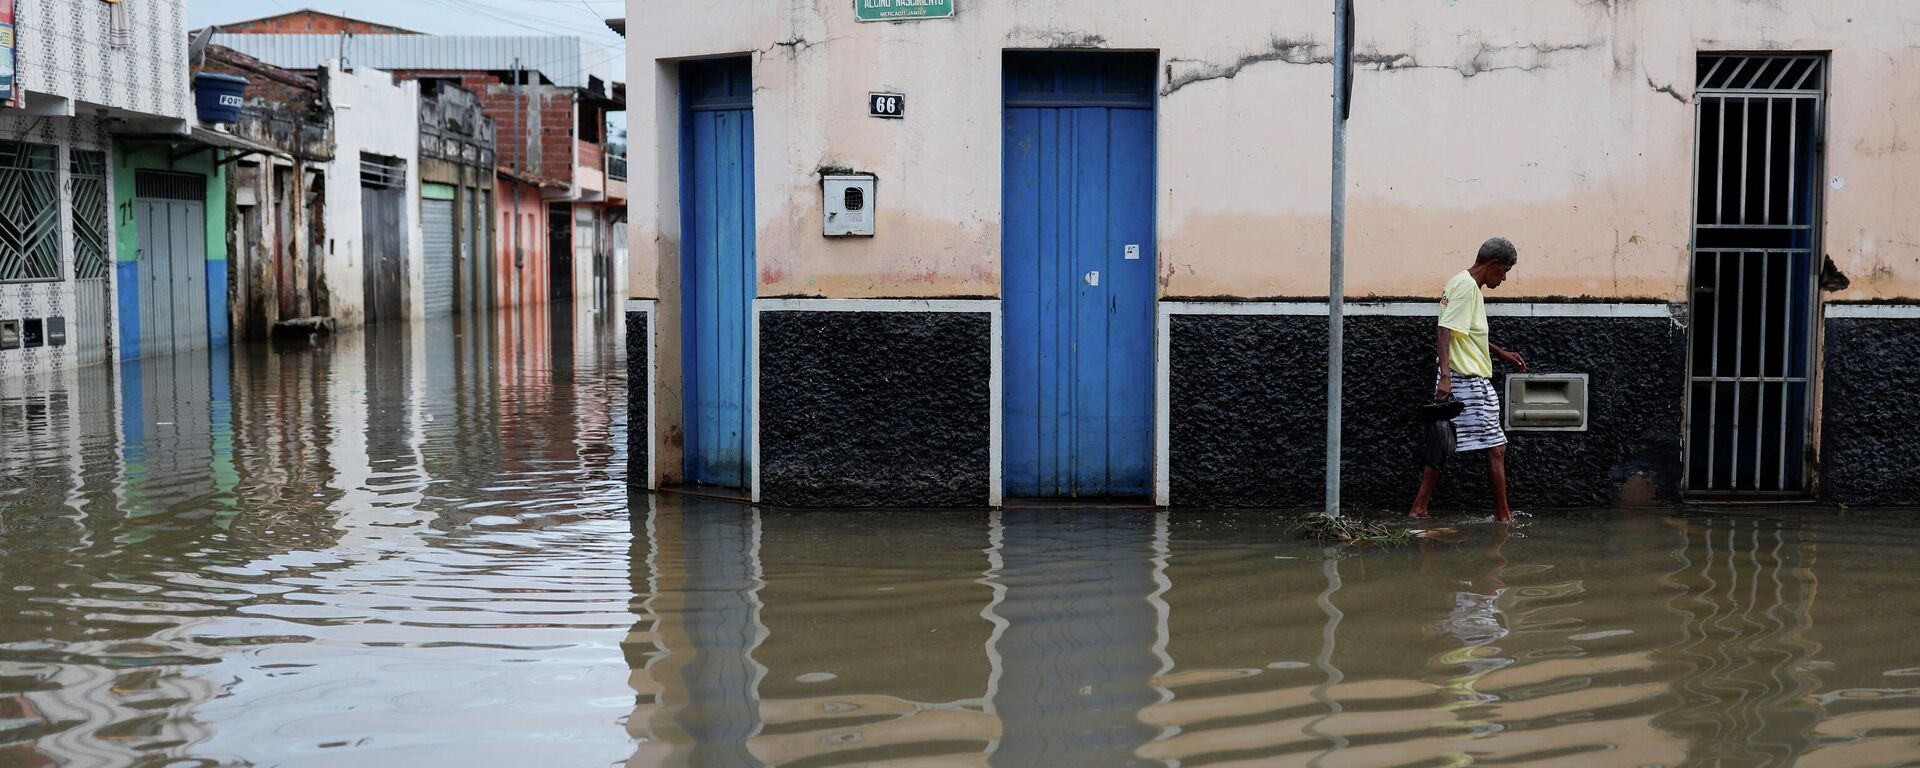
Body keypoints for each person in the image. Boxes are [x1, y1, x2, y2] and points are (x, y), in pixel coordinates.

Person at [1410, 237, 1527, 523]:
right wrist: (1446, 378)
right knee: (1497, 447)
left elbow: (1466, 333)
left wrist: (1501, 353)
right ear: (1492, 264)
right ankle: (1503, 518)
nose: (1504, 278)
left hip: (1461, 376)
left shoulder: (1461, 283)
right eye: (1504, 271)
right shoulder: (1465, 287)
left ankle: (1419, 508)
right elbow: (1444, 330)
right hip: (1466, 379)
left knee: (1443, 441)